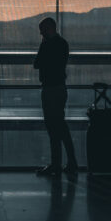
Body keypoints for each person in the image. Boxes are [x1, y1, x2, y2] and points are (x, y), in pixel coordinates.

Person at [33, 17, 78, 176]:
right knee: (60, 127)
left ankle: (58, 163)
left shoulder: (48, 44)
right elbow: (43, 63)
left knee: (54, 127)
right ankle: (68, 162)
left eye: (42, 29)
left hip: (51, 89)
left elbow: (37, 63)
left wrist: (44, 47)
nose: (40, 33)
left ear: (49, 28)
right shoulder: (62, 44)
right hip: (58, 88)